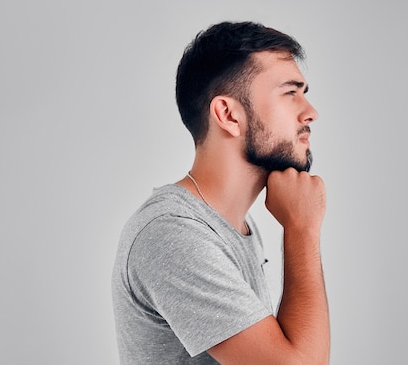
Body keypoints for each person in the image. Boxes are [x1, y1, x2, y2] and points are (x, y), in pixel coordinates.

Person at [112, 21, 329, 364]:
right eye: (290, 92)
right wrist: (302, 229)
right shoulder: (173, 233)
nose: (311, 112)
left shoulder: (234, 226)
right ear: (228, 115)